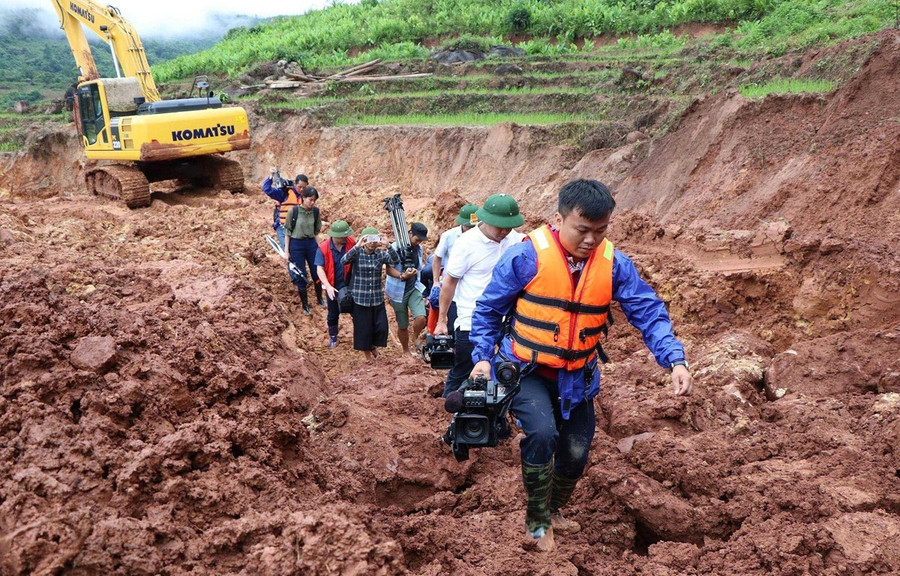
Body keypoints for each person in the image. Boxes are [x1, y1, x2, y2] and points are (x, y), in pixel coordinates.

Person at [468, 179, 694, 552]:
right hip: (526, 369)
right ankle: (538, 521)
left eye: (600, 230)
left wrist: (675, 360)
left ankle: (554, 508)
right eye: (582, 229)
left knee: (576, 451)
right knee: (542, 434)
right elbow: (488, 310)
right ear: (559, 219)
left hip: (577, 376)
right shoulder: (526, 258)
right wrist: (480, 359)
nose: (591, 239)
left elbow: (648, 311)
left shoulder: (614, 264)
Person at [434, 195, 524, 397]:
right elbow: (449, 283)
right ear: (486, 220)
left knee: (504, 374)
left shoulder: (516, 240)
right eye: (500, 227)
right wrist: (442, 320)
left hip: (507, 322)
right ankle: (451, 413)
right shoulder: (466, 243)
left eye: (508, 227)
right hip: (471, 321)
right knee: (464, 371)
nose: (504, 232)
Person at [341, 227, 401, 363]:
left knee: (381, 327)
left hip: (376, 297)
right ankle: (368, 357)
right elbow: (343, 261)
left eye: (375, 240)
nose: (372, 243)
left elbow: (395, 261)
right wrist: (357, 246)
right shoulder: (357, 254)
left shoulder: (381, 254)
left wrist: (388, 245)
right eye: (369, 240)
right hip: (360, 298)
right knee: (364, 329)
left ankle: (373, 346)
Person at [428, 203, 479, 335]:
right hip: (452, 284)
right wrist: (435, 282)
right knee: (451, 321)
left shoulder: (481, 237)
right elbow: (437, 258)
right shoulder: (449, 236)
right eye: (469, 227)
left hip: (471, 285)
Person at [385, 222, 429, 357]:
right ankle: (405, 350)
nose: (419, 242)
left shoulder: (419, 249)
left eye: (421, 240)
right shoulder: (395, 248)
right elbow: (388, 269)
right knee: (402, 324)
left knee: (421, 317)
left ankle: (415, 337)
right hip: (397, 291)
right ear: (410, 234)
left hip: (413, 288)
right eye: (417, 239)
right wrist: (402, 276)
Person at [315, 220, 356, 348]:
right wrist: (327, 286)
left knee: (356, 311)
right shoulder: (323, 248)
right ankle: (333, 337)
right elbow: (319, 268)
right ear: (334, 236)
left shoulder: (351, 243)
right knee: (333, 313)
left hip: (350, 283)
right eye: (342, 236)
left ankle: (359, 336)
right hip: (332, 284)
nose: (345, 238)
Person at [284, 187, 322, 314]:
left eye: (314, 200)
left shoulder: (315, 212)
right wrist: (286, 250)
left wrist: (320, 248)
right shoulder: (293, 212)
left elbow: (316, 232)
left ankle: (320, 298)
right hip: (296, 245)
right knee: (301, 274)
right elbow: (287, 231)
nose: (312, 203)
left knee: (316, 272)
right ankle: (305, 305)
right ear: (303, 198)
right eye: (310, 200)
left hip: (311, 244)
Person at [262, 168, 307, 249]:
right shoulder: (284, 193)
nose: (302, 189)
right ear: (295, 184)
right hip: (283, 227)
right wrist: (271, 176)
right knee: (288, 250)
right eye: (300, 187)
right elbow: (267, 189)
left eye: (304, 187)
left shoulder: (305, 197)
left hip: (297, 229)